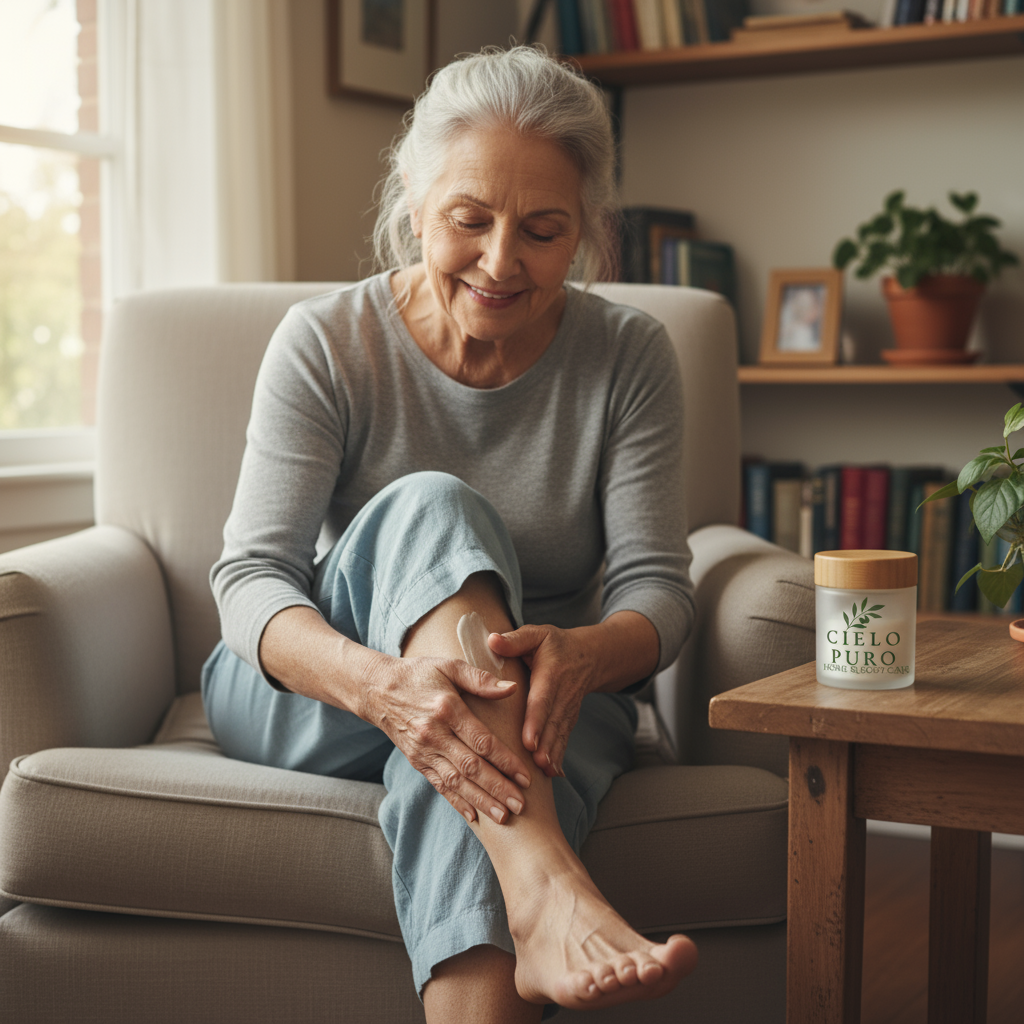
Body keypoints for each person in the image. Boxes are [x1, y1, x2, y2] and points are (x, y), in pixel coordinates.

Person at [201, 45, 699, 1023]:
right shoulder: (327, 340)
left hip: (546, 697)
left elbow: (659, 591)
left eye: (543, 231)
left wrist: (584, 653)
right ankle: (544, 883)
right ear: (415, 202)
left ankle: (524, 892)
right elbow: (250, 579)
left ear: (586, 231)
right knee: (436, 505)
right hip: (314, 687)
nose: (501, 261)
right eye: (469, 220)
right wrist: (385, 689)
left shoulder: (627, 355)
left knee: (467, 733)